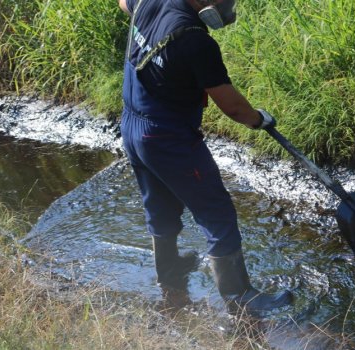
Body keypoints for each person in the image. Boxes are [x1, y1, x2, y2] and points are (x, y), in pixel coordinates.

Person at [117, 0, 293, 315]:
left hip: (132, 126)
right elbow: (233, 107)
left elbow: (124, 3)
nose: (228, 5)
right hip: (167, 137)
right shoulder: (196, 41)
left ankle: (169, 274)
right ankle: (241, 299)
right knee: (217, 213)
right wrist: (258, 119)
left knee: (159, 204)